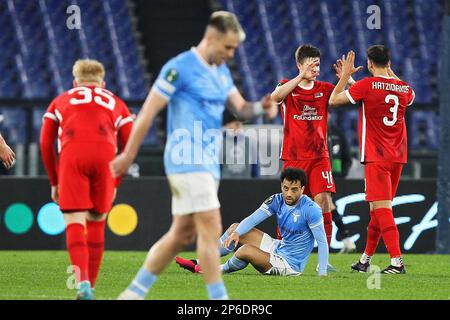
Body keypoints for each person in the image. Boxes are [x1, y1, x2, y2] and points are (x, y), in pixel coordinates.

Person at [109, 11, 277, 300]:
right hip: (186, 158)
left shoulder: (221, 72)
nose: (231, 54)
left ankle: (133, 294)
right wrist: (127, 155)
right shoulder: (179, 68)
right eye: (228, 47)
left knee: (181, 236)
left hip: (208, 163)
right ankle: (218, 299)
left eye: (235, 48)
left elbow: (242, 108)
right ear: (211, 37)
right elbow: (148, 113)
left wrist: (262, 106)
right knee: (212, 227)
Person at [40, 59, 133, 299]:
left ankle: (81, 285)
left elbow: (45, 142)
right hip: (105, 157)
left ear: (75, 82)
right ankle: (90, 286)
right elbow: (130, 145)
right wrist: (116, 182)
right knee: (96, 221)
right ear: (102, 83)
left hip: (73, 157)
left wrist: (54, 181)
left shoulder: (61, 100)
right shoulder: (116, 101)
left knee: (74, 221)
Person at [329, 45, 415, 274]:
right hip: (397, 157)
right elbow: (385, 91)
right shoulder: (404, 88)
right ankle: (365, 260)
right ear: (389, 62)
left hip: (376, 157)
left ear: (368, 64)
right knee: (377, 209)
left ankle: (397, 262)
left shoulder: (367, 85)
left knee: (382, 208)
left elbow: (334, 100)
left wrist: (345, 77)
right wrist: (387, 74)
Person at [270, 45, 356, 266]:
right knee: (289, 206)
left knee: (324, 202)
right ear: (300, 64)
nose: (316, 68)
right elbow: (275, 96)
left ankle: (324, 261)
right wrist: (300, 76)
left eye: (318, 64)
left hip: (320, 157)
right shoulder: (286, 86)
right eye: (311, 64)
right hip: (293, 156)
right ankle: (283, 255)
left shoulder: (325, 88)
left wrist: (347, 79)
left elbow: (353, 97)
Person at [176, 168, 329, 276]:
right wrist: (236, 234)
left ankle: (213, 270)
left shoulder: (311, 209)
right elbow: (253, 218)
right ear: (281, 186)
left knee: (245, 250)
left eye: (294, 189)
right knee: (235, 229)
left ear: (302, 189)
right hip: (278, 247)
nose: (288, 193)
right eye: (285, 188)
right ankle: (199, 261)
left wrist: (322, 274)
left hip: (289, 264)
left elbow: (322, 242)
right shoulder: (277, 200)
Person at [327, 112, 356, 253]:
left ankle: (345, 238)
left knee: (325, 204)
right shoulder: (313, 131)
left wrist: (341, 175)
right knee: (327, 205)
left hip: (332, 176)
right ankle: (346, 238)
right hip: (319, 174)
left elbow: (347, 156)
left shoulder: (337, 133)